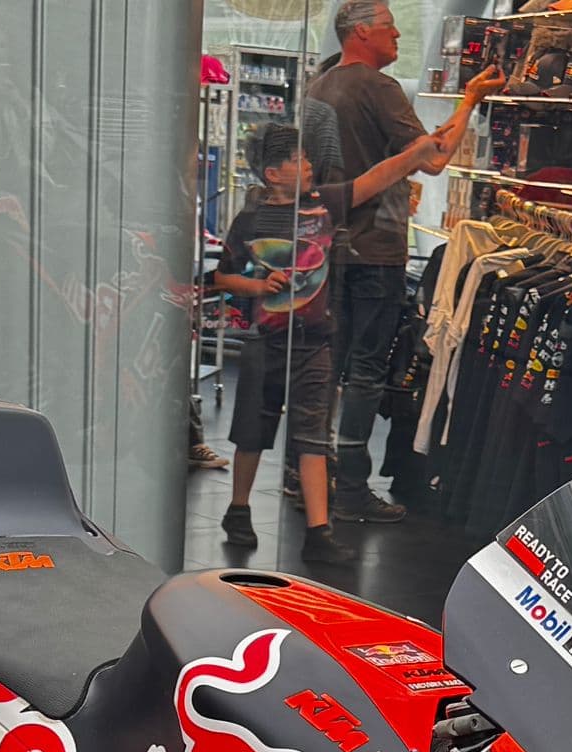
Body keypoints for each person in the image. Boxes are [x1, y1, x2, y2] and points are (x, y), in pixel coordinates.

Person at [213, 120, 448, 566]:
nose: (307, 165)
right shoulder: (251, 220)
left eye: (306, 156)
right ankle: (238, 509)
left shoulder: (326, 204)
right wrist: (258, 285)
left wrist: (416, 154)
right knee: (251, 433)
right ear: (272, 174)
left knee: (313, 437)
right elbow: (223, 276)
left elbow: (375, 178)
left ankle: (319, 531)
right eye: (297, 160)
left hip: (315, 343)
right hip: (266, 341)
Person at [308, 1, 504, 522]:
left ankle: (309, 477)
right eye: (390, 28)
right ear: (362, 32)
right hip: (374, 250)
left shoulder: (320, 85)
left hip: (331, 248)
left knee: (331, 367)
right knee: (366, 372)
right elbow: (435, 159)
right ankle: (352, 490)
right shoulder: (378, 87)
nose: (397, 37)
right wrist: (470, 100)